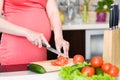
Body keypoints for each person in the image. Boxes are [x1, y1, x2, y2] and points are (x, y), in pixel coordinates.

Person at [0, 0, 69, 65]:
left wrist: (59, 37)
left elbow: (53, 11)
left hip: (40, 51)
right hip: (15, 51)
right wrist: (27, 33)